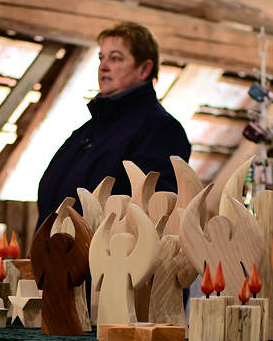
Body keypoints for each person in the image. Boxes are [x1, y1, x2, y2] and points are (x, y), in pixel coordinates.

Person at [36, 22, 191, 226]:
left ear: (144, 69)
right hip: (56, 244)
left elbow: (156, 212)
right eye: (101, 57)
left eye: (115, 58)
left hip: (105, 246)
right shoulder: (86, 131)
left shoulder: (160, 130)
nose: (103, 66)